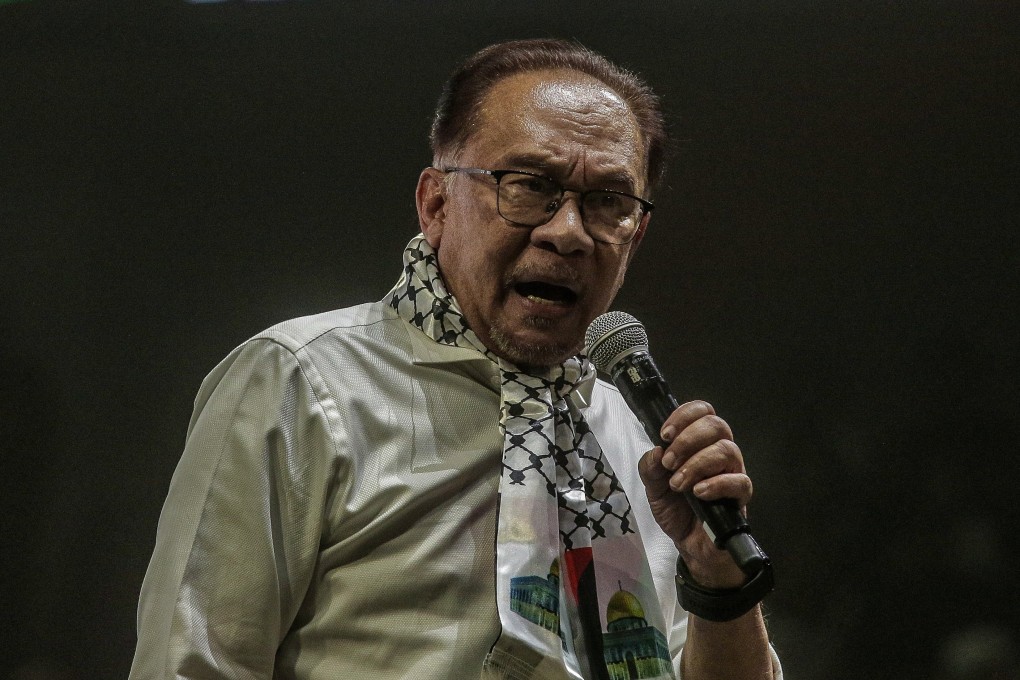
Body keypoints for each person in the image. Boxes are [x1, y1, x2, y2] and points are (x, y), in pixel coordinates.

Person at [129, 39, 782, 680]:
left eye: (608, 202)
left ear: (634, 235)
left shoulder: (643, 449)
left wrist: (716, 578)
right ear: (436, 204)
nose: (567, 232)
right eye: (529, 186)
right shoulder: (300, 382)